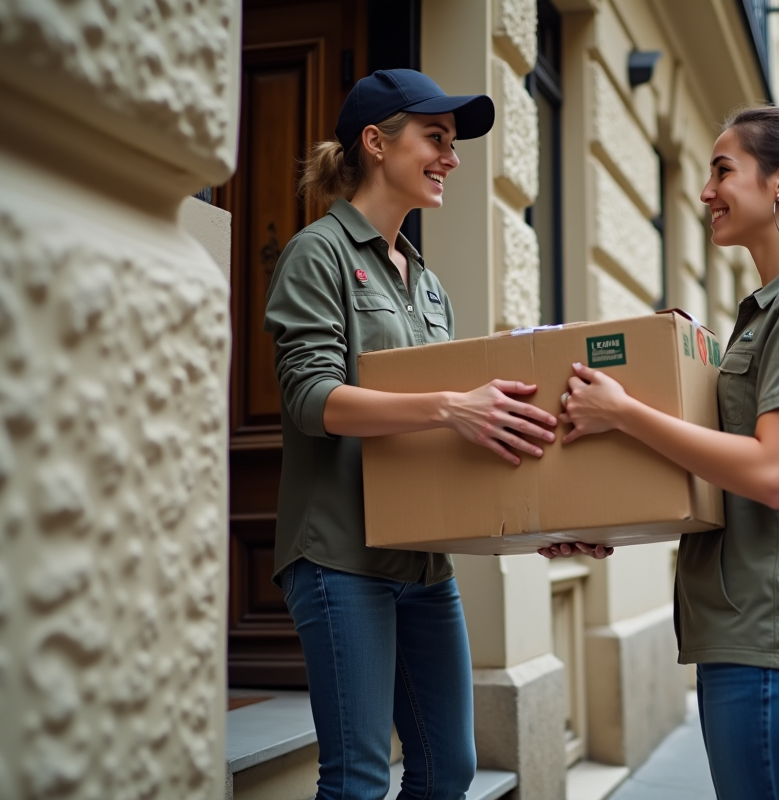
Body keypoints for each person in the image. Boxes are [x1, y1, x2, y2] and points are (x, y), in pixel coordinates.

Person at [541, 106, 779, 799]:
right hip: (753, 641)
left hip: (773, 644)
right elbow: (720, 479)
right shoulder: (774, 308)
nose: (706, 191)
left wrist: (623, 412)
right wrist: (603, 527)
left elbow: (769, 474)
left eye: (722, 170)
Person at [263, 69, 559, 800]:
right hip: (339, 556)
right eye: (436, 137)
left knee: (447, 768)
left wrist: (542, 523)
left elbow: (456, 437)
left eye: (452, 143)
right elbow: (310, 400)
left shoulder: (426, 283)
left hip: (421, 567)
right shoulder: (318, 254)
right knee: (359, 779)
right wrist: (452, 406)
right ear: (375, 142)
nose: (451, 157)